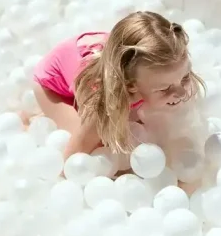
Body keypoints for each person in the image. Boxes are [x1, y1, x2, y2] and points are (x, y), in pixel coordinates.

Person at [31, 11, 204, 163]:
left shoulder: (165, 67)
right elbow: (73, 158)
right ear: (131, 86)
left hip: (98, 67)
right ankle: (34, 119)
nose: (181, 92)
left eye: (184, 77)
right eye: (164, 88)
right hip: (52, 86)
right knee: (99, 146)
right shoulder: (105, 101)